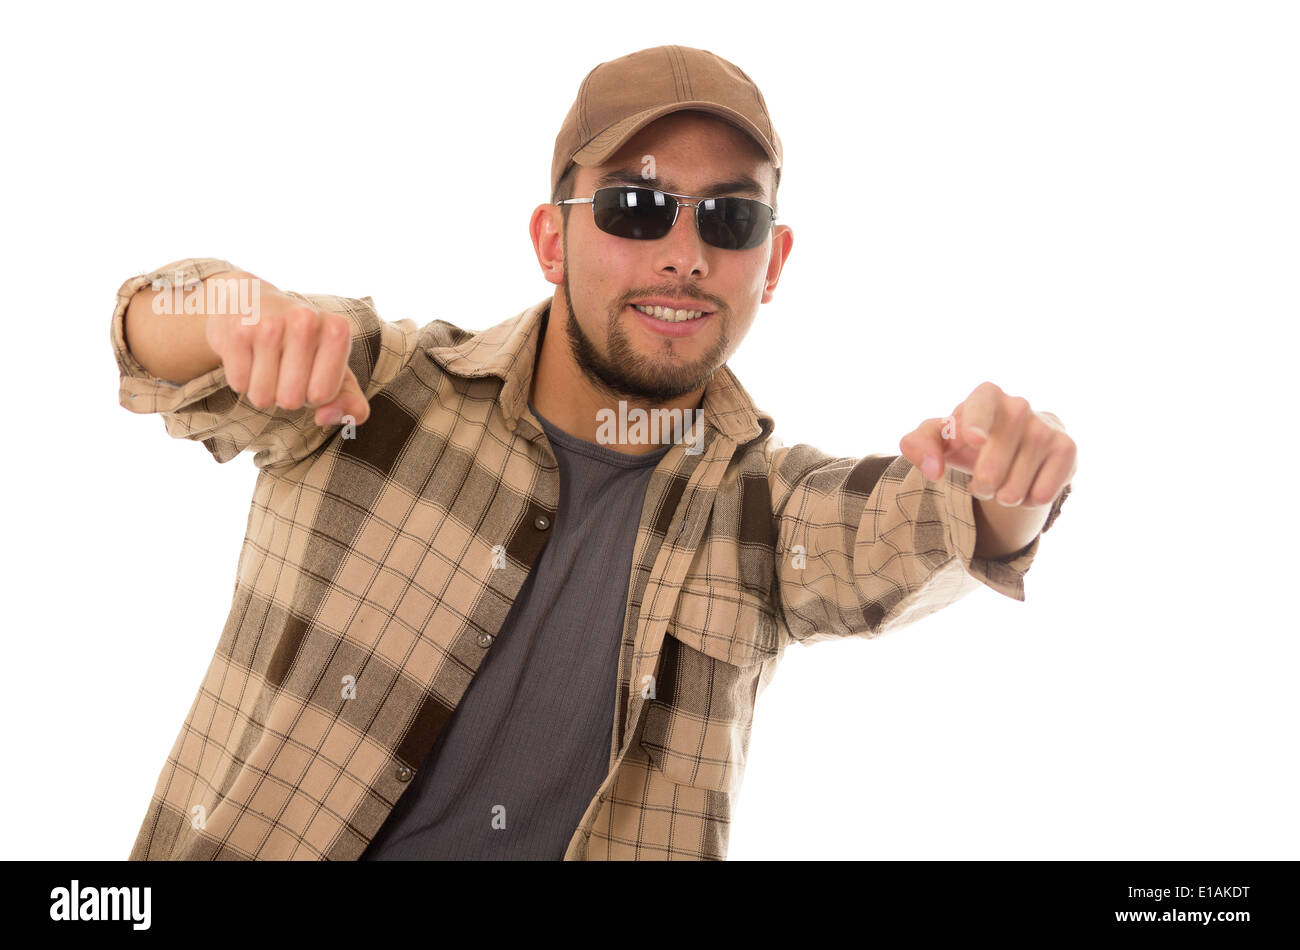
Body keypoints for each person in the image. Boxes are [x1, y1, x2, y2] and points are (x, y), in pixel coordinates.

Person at [113, 45, 1075, 861]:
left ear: (772, 263)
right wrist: (237, 313)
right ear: (552, 238)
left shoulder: (767, 514)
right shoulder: (380, 387)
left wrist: (1006, 482)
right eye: (635, 208)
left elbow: (921, 525)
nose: (685, 254)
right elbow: (149, 326)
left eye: (729, 219)